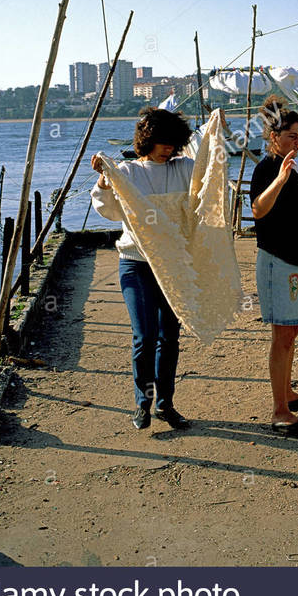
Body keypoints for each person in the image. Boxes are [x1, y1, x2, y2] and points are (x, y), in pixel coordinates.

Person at [90, 107, 193, 431]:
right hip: (135, 263)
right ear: (147, 139)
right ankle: (142, 403)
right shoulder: (128, 173)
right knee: (144, 336)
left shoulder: (186, 169)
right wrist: (105, 182)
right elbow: (109, 211)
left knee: (170, 337)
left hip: (174, 265)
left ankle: (166, 404)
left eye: (174, 142)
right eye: (163, 141)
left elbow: (209, 193)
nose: (169, 148)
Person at [250, 96, 298, 438]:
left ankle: (288, 394)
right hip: (279, 262)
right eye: (291, 135)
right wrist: (280, 179)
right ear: (274, 136)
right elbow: (257, 210)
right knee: (282, 336)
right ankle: (279, 412)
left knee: (291, 333)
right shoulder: (267, 168)